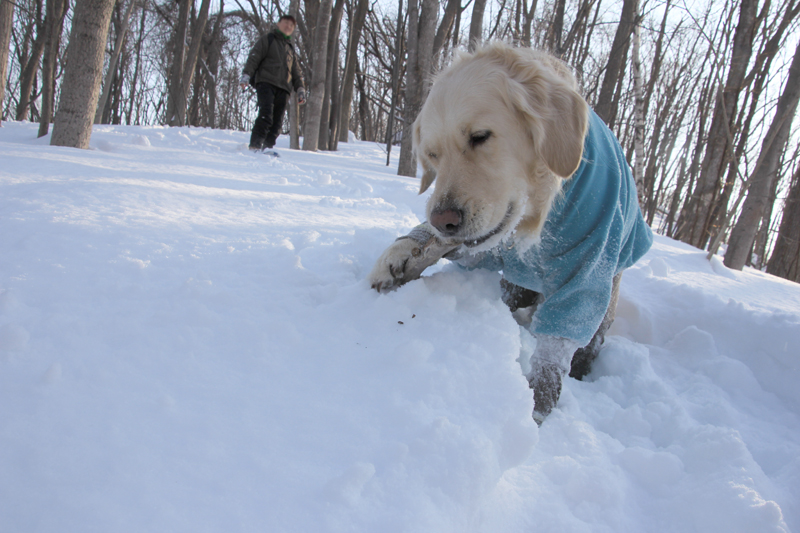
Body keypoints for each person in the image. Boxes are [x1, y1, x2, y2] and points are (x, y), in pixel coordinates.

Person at [239, 15, 306, 151]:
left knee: (277, 123)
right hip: (266, 82)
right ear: (279, 23)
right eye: (286, 23)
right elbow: (254, 57)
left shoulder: (290, 49)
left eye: (291, 26)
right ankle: (255, 146)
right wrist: (246, 75)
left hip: (284, 89)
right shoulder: (268, 40)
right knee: (266, 115)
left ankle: (266, 148)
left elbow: (296, 72)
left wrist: (300, 90)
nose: (288, 27)